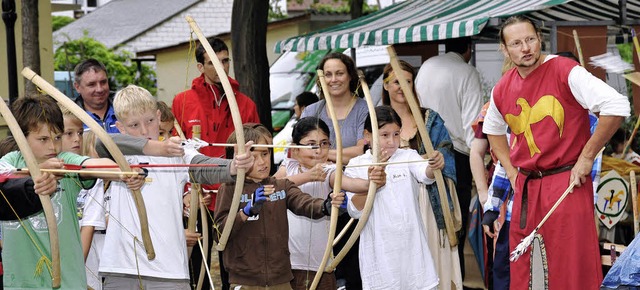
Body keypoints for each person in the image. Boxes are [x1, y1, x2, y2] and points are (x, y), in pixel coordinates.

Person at [483, 15, 630, 290]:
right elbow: (492, 130)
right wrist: (512, 171)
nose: (525, 48)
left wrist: (586, 157)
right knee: (525, 271)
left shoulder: (565, 70)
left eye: (530, 39)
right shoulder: (503, 87)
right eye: (516, 43)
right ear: (505, 49)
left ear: (539, 38)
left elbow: (617, 105)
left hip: (567, 184)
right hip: (526, 188)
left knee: (571, 267)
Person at [97, 85, 254, 289]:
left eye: (150, 121)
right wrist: (157, 148)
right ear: (120, 128)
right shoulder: (119, 154)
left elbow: (204, 167)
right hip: (121, 269)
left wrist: (234, 166)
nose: (144, 130)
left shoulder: (177, 152)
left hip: (168, 270)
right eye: (134, 125)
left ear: (158, 115)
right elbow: (102, 143)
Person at [0, 94, 144, 289]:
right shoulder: (9, 162)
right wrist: (38, 175)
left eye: (57, 137)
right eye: (43, 139)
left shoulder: (65, 161)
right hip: (20, 282)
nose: (53, 146)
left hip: (68, 282)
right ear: (21, 138)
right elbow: (5, 182)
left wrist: (124, 172)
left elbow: (95, 165)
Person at [214, 123, 379, 289]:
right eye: (253, 157)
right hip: (245, 279)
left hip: (281, 278)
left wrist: (326, 206)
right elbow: (219, 234)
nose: (262, 162)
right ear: (238, 159)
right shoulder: (229, 189)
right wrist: (246, 211)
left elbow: (303, 202)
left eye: (265, 154)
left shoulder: (280, 185)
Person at [172, 37, 259, 290]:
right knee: (196, 266)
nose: (221, 67)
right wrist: (186, 194)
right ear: (200, 67)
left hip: (233, 193)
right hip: (197, 195)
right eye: (213, 62)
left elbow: (258, 150)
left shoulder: (244, 104)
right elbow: (176, 149)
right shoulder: (182, 101)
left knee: (236, 266)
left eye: (225, 61)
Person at [273, 117, 384, 290]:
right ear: (295, 149)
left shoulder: (329, 170)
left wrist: (372, 181)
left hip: (320, 263)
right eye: (311, 144)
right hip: (287, 262)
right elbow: (271, 187)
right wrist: (307, 176)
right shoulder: (289, 166)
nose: (319, 150)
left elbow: (353, 184)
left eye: (324, 143)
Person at [381, 60, 462, 289]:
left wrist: (439, 157)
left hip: (428, 200)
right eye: (396, 82)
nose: (402, 87)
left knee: (432, 253)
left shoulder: (430, 118)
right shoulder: (377, 120)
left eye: (407, 82)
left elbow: (446, 149)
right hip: (393, 200)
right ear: (386, 86)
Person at [344, 105, 441, 289]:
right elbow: (355, 210)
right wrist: (371, 184)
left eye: (396, 134)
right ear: (367, 135)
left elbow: (426, 174)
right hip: (380, 259)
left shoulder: (408, 156)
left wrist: (434, 165)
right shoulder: (357, 165)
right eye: (384, 135)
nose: (392, 141)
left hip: (414, 254)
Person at [300, 52, 369, 289]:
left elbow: (363, 149)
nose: (334, 79)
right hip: (319, 191)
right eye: (327, 74)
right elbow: (300, 151)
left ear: (350, 75)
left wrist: (322, 152)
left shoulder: (364, 107)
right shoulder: (311, 111)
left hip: (354, 192)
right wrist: (335, 154)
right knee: (324, 259)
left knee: (352, 259)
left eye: (339, 73)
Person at [415, 37, 483, 274]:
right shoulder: (467, 72)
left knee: (427, 221)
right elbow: (473, 124)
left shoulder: (426, 67)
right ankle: (455, 277)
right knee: (456, 222)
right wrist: (479, 163)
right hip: (456, 153)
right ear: (468, 49)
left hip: (422, 149)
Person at [73, 58, 119, 133]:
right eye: (92, 84)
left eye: (103, 82)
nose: (99, 89)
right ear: (77, 87)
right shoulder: (71, 119)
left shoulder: (127, 110)